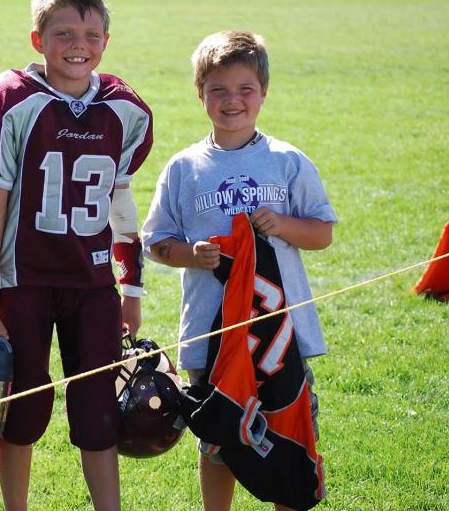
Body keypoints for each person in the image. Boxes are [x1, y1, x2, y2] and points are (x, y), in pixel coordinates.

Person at [0, 0, 153, 511]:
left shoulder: (124, 110)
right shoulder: (9, 102)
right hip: (24, 279)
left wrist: (131, 290)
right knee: (23, 409)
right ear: (37, 38)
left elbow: (121, 209)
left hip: (92, 284)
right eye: (64, 32)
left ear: (106, 41)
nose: (79, 44)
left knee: (97, 413)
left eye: (92, 34)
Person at [141, 30, 336, 511]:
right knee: (219, 440)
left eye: (245, 89)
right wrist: (192, 254)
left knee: (287, 433)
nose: (233, 100)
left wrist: (285, 224)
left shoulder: (287, 161)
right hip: (212, 337)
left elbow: (323, 232)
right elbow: (155, 243)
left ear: (264, 92)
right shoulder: (185, 168)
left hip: (281, 333)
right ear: (200, 94)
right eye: (219, 90)